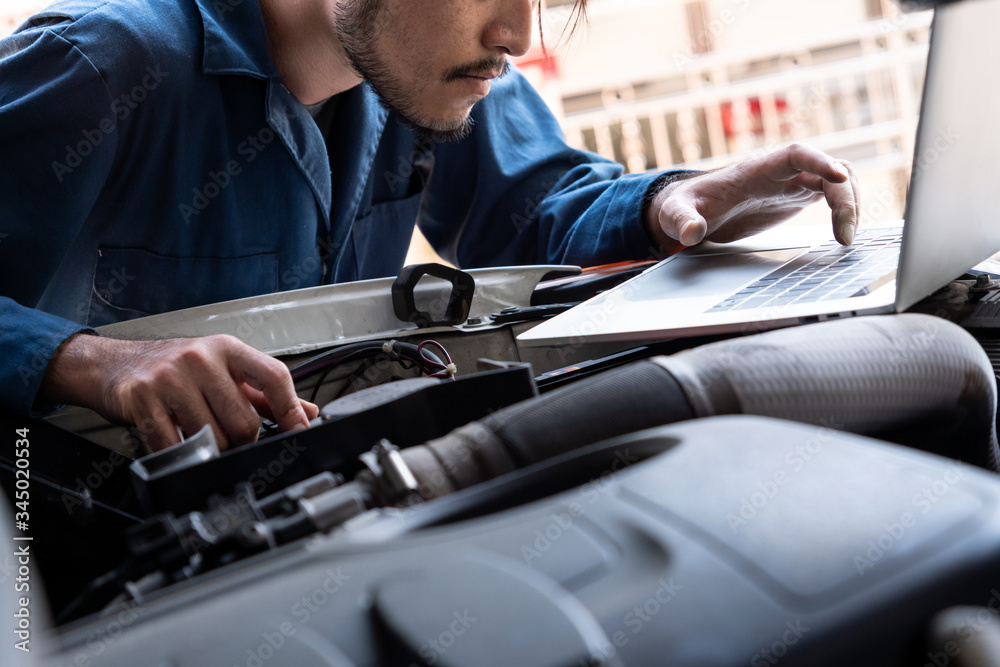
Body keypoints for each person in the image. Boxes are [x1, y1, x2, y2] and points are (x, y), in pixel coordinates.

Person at [0, 0, 860, 452]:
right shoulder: (106, 66)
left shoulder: (425, 72)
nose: (517, 33)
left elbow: (537, 212)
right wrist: (88, 359)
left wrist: (675, 202)